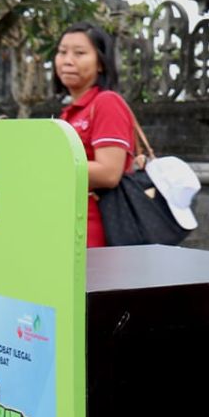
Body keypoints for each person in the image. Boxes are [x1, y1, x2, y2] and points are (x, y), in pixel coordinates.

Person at [53, 21, 134, 248]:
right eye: (62, 52)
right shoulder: (68, 113)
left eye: (79, 53)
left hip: (94, 235)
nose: (68, 60)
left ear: (100, 63)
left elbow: (109, 172)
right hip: (65, 230)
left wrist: (42, 164)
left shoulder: (106, 102)